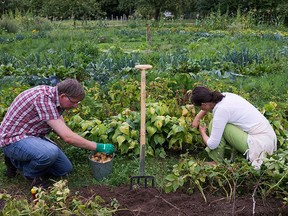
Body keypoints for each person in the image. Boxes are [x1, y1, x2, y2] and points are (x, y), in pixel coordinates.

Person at [0, 78, 115, 187]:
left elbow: (62, 128)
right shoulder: (43, 99)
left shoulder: (54, 97)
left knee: (64, 169)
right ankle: (31, 175)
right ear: (63, 96)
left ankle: (17, 160)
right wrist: (98, 146)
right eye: (74, 102)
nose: (75, 106)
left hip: (32, 135)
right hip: (13, 139)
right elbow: (67, 137)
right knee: (49, 153)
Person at [190, 86, 277, 170]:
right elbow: (208, 106)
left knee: (215, 124)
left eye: (199, 107)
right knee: (218, 123)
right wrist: (197, 118)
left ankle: (216, 162)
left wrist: (202, 132)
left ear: (203, 104)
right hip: (269, 138)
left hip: (260, 145)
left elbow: (213, 144)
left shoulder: (221, 110)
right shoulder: (224, 96)